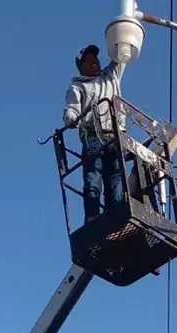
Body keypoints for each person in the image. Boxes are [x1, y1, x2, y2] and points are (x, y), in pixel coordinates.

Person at [62, 44, 127, 222]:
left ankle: (115, 216)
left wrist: (125, 32)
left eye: (95, 59)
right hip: (93, 138)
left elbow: (122, 56)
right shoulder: (77, 87)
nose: (94, 62)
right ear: (81, 66)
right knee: (94, 179)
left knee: (116, 178)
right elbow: (72, 108)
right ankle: (92, 218)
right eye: (88, 60)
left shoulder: (110, 76)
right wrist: (71, 119)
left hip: (115, 137)